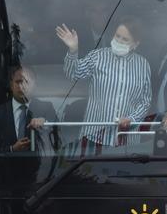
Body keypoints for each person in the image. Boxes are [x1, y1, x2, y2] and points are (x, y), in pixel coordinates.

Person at [56, 21, 151, 151]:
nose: (119, 41)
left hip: (127, 141)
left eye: (125, 39)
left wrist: (132, 119)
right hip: (94, 138)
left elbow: (145, 101)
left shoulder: (143, 65)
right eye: (117, 36)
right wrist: (73, 50)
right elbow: (73, 74)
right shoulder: (98, 56)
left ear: (135, 44)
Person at [0, 65, 58, 154]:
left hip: (41, 166)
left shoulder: (46, 108)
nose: (22, 86)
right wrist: (12, 149)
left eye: (26, 81)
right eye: (18, 82)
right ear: (11, 85)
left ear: (34, 85)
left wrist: (45, 122)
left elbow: (58, 135)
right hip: (5, 166)